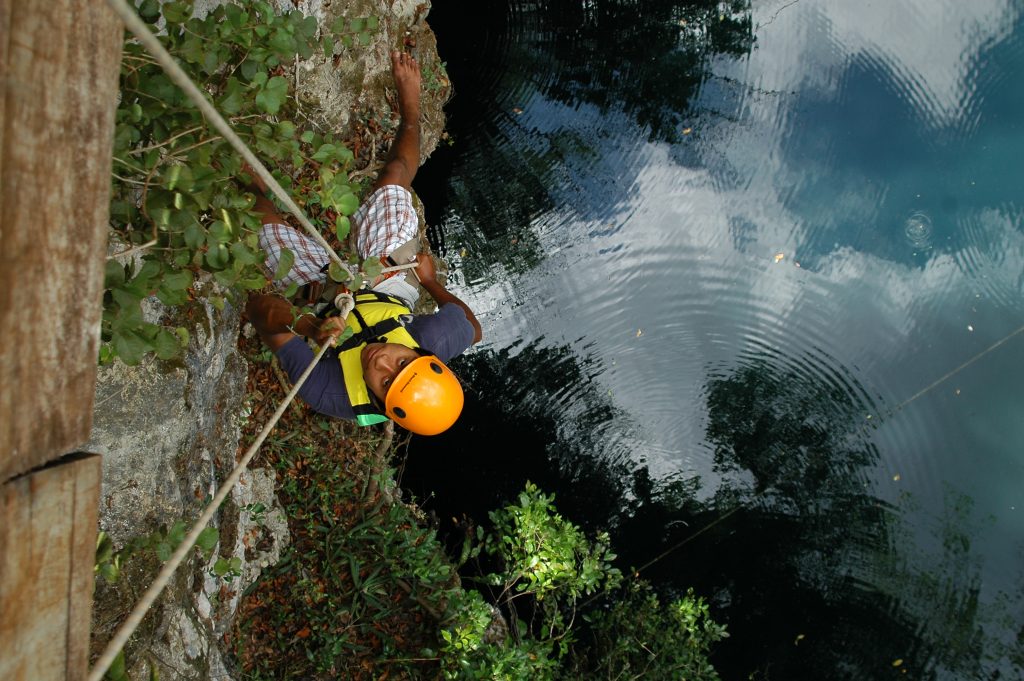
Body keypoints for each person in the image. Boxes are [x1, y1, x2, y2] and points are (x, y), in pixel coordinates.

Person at [244, 50, 482, 435]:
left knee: (264, 231)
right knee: (392, 179)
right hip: (388, 288)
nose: (381, 361)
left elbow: (258, 312)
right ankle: (410, 111)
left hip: (321, 307)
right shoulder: (436, 339)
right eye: (402, 363)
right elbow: (473, 326)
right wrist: (430, 281)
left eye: (386, 382)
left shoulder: (329, 392)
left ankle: (252, 185)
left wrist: (305, 324)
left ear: (383, 406)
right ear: (421, 354)